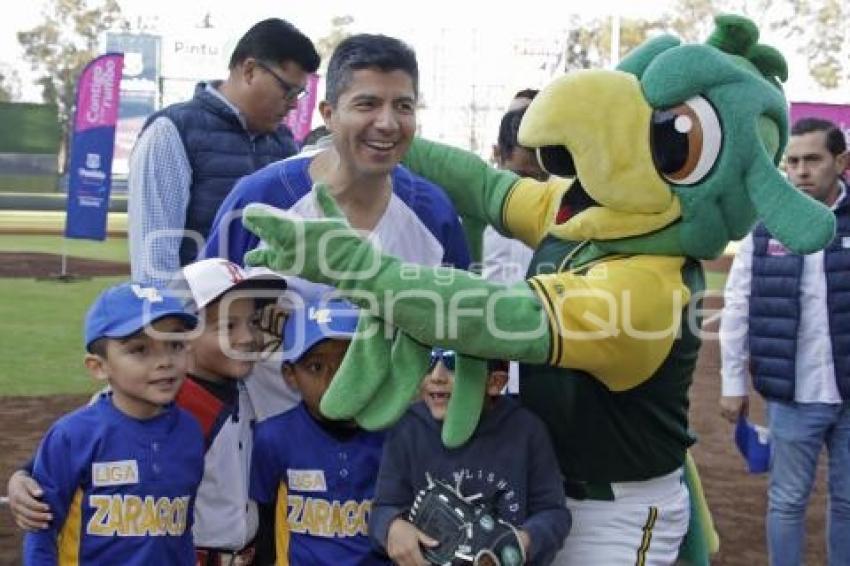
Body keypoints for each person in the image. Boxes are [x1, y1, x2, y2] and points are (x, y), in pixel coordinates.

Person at [202, 33, 470, 422]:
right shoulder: (261, 199)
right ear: (328, 114)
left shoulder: (433, 213)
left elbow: (461, 332)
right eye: (367, 104)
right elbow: (201, 318)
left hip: (392, 452)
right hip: (270, 449)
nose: (387, 123)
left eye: (403, 106)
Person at [10, 259, 290, 564]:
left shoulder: (249, 386)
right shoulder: (160, 396)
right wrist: (24, 475)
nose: (247, 337)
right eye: (228, 326)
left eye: (254, 321)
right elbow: (83, 439)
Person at [719, 117, 850, 566]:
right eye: (792, 161)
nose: (800, 171)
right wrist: (732, 382)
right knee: (788, 501)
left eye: (812, 159)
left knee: (848, 504)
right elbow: (736, 305)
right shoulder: (766, 226)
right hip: (793, 394)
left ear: (841, 161)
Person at [129, 18, 320, 287]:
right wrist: (174, 324)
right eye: (287, 90)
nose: (292, 106)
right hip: (198, 319)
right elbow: (154, 261)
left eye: (299, 94)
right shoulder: (172, 131)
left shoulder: (285, 143)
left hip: (266, 319)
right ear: (250, 70)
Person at [22, 282, 204, 564]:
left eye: (175, 345)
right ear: (99, 366)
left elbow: (181, 532)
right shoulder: (73, 435)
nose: (165, 361)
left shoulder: (190, 431)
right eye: (140, 349)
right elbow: (41, 532)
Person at [371, 349, 571, 565]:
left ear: (495, 382)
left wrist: (517, 544)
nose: (437, 376)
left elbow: (553, 512)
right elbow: (383, 507)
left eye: (452, 362)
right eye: (430, 361)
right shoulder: (408, 427)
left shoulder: (526, 430)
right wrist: (393, 527)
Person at [249, 299, 389, 565]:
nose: (334, 378)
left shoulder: (391, 434)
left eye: (347, 362)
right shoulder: (274, 437)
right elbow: (264, 525)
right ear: (290, 375)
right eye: (316, 366)